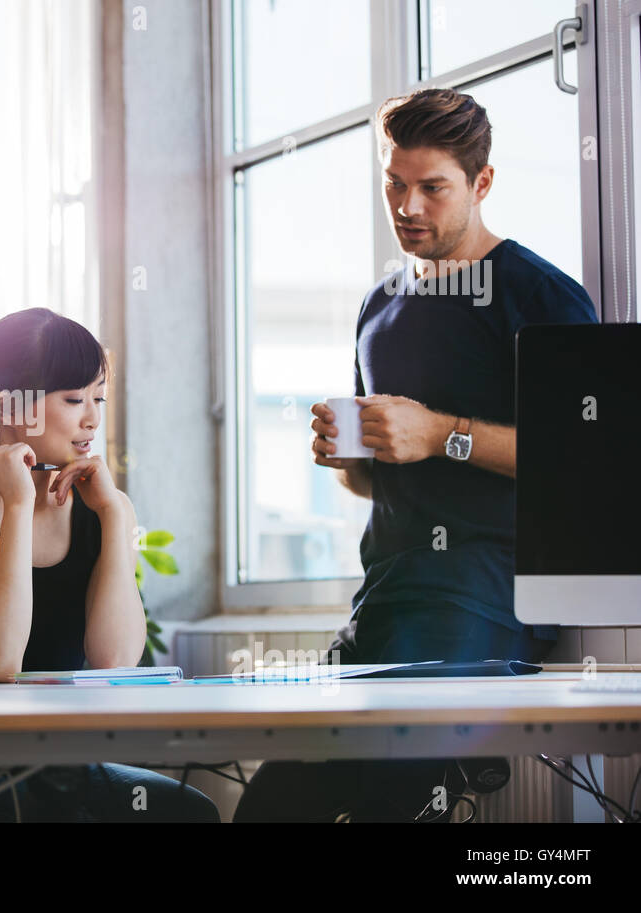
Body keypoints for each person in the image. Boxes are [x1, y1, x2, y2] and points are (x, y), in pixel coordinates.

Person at [234, 88, 599, 822]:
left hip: (484, 599)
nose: (408, 205)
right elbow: (384, 483)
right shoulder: (379, 307)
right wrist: (352, 459)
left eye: (433, 187)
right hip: (384, 597)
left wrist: (440, 433)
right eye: (394, 184)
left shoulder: (542, 295)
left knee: (386, 805)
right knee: (268, 809)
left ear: (481, 183)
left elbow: (583, 463)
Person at [0, 307, 218, 822]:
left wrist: (113, 515)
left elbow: (115, 662)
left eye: (98, 399)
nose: (92, 418)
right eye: (73, 399)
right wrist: (19, 505)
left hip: (58, 762)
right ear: (9, 405)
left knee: (185, 812)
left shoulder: (100, 504)